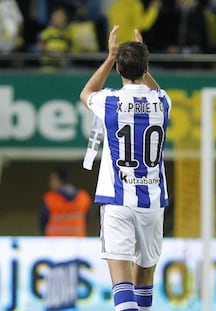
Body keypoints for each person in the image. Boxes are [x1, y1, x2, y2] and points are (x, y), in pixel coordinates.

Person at [80, 25, 171, 311]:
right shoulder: (162, 102)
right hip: (152, 203)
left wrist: (110, 57)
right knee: (144, 280)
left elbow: (87, 92)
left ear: (119, 69)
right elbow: (156, 88)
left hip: (118, 201)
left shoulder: (109, 101)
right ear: (146, 68)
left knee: (122, 284)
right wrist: (142, 62)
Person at [39, 168, 91, 236]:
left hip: (54, 242)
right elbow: (87, 219)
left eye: (52, 179)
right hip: (77, 242)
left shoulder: (50, 199)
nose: (50, 182)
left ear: (59, 180)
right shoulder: (83, 198)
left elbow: (42, 222)